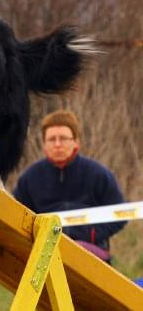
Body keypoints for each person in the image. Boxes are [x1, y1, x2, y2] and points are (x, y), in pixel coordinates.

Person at [13, 110, 127, 263]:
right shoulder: (29, 178)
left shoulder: (99, 174)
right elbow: (18, 217)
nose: (58, 144)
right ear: (44, 144)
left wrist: (93, 234)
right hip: (43, 252)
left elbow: (122, 214)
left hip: (91, 252)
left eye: (64, 138)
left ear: (76, 142)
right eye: (52, 139)